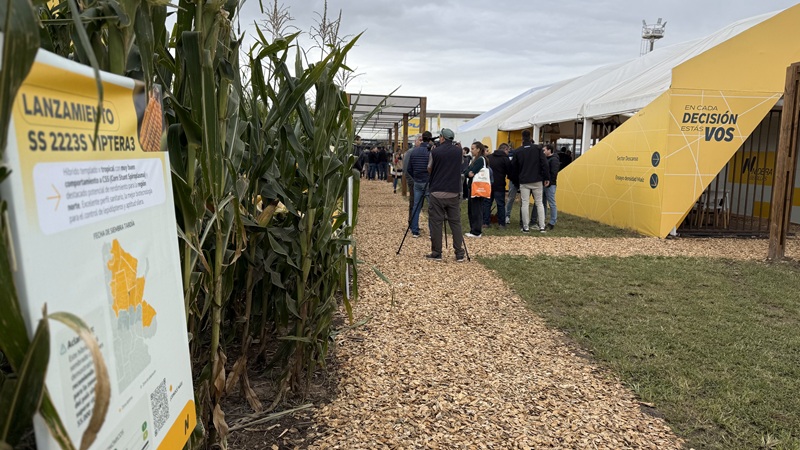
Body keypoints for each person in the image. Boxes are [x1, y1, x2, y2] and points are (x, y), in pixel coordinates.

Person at [426, 128, 466, 261]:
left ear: (442, 138)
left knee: (436, 222)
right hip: (453, 191)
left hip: (437, 191)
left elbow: (429, 168)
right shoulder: (459, 151)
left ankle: (437, 252)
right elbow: (459, 164)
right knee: (455, 223)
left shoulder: (435, 151)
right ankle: (459, 253)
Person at [512, 130, 550, 233]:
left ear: (522, 137)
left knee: (525, 203)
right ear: (530, 137)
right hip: (537, 180)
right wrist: (546, 178)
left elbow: (514, 168)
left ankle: (526, 227)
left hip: (524, 181)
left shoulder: (518, 151)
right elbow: (544, 164)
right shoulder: (537, 149)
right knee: (539, 203)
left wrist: (516, 181)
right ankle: (542, 227)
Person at [406, 131, 433, 238]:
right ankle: (432, 232)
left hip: (417, 181)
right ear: (430, 139)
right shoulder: (431, 152)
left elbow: (409, 168)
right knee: (432, 208)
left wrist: (416, 176)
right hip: (429, 182)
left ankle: (415, 230)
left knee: (416, 206)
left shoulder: (414, 152)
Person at [463, 142, 488, 237]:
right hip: (473, 187)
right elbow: (467, 171)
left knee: (476, 209)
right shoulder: (475, 159)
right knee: (472, 209)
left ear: (478, 149)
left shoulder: (480, 160)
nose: (471, 150)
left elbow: (471, 171)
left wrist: (469, 172)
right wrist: (468, 172)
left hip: (477, 187)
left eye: (473, 148)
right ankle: (473, 229)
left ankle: (476, 231)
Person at [485, 143, 511, 229]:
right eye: (508, 150)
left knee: (487, 203)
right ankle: (501, 224)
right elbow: (509, 171)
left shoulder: (489, 157)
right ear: (505, 149)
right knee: (500, 204)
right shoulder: (505, 158)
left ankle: (485, 222)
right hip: (499, 185)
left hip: (489, 184)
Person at [542, 144, 560, 230]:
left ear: (549, 150)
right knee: (543, 203)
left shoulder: (554, 160)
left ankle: (553, 221)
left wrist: (549, 182)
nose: (543, 151)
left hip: (550, 185)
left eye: (544, 150)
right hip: (545, 184)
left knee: (551, 203)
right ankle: (543, 219)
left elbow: (554, 173)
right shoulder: (546, 159)